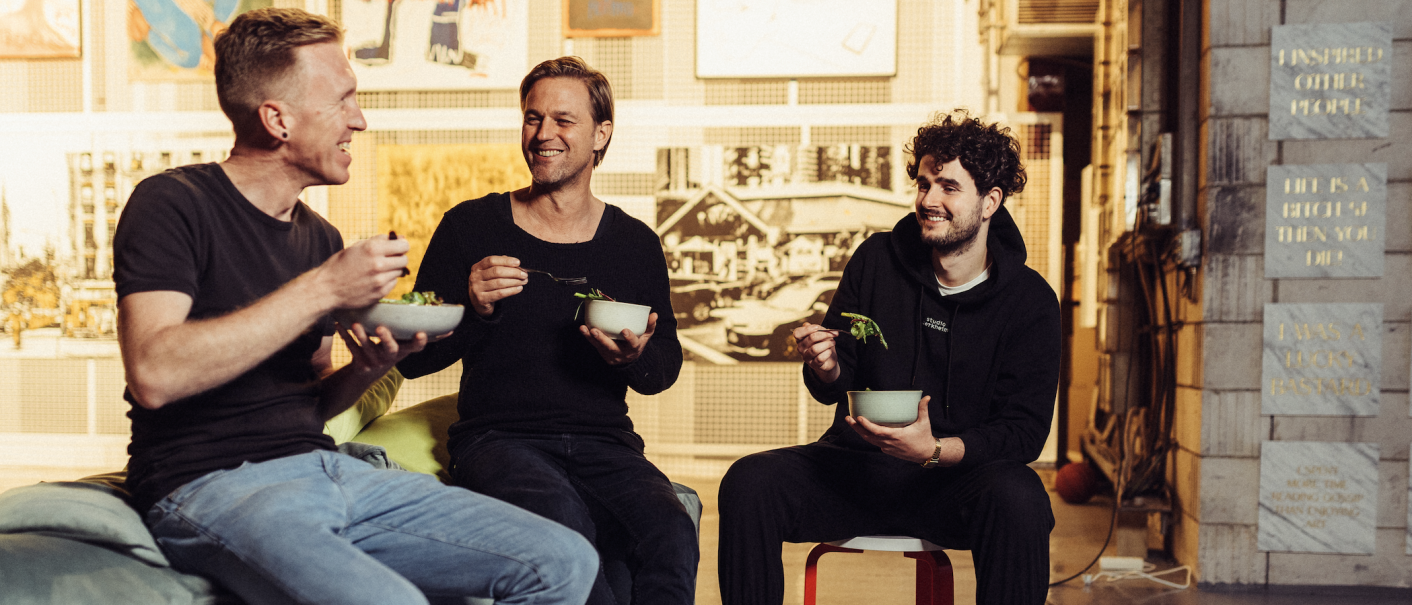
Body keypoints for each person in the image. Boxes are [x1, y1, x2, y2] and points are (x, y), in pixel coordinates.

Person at [112, 9, 596, 605]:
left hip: (326, 469)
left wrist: (369, 367)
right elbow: (154, 373)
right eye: (342, 100)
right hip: (210, 487)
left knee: (564, 560)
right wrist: (324, 288)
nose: (359, 119)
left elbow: (312, 404)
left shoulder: (319, 237)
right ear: (278, 119)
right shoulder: (173, 203)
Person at [717, 110, 1061, 605]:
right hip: (856, 471)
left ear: (990, 202)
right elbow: (835, 382)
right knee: (749, 481)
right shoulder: (876, 259)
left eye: (948, 187)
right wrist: (827, 366)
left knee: (1021, 497)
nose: (929, 200)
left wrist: (935, 450)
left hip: (954, 483)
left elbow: (1024, 432)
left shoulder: (1030, 301)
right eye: (923, 184)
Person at [397, 56, 698, 605]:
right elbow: (412, 361)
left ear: (601, 134)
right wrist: (471, 308)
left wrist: (633, 359)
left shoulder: (635, 243)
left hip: (606, 443)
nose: (543, 135)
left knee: (672, 530)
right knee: (567, 531)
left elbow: (664, 368)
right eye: (533, 118)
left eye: (563, 120)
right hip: (498, 441)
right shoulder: (469, 225)